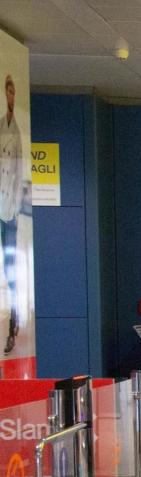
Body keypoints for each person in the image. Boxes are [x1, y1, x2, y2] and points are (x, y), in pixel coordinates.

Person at [0, 75, 22, 353]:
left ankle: (12, 323)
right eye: (7, 91)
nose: (10, 95)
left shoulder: (16, 133)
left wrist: (13, 207)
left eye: (13, 91)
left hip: (9, 211)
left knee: (12, 270)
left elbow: (17, 175)